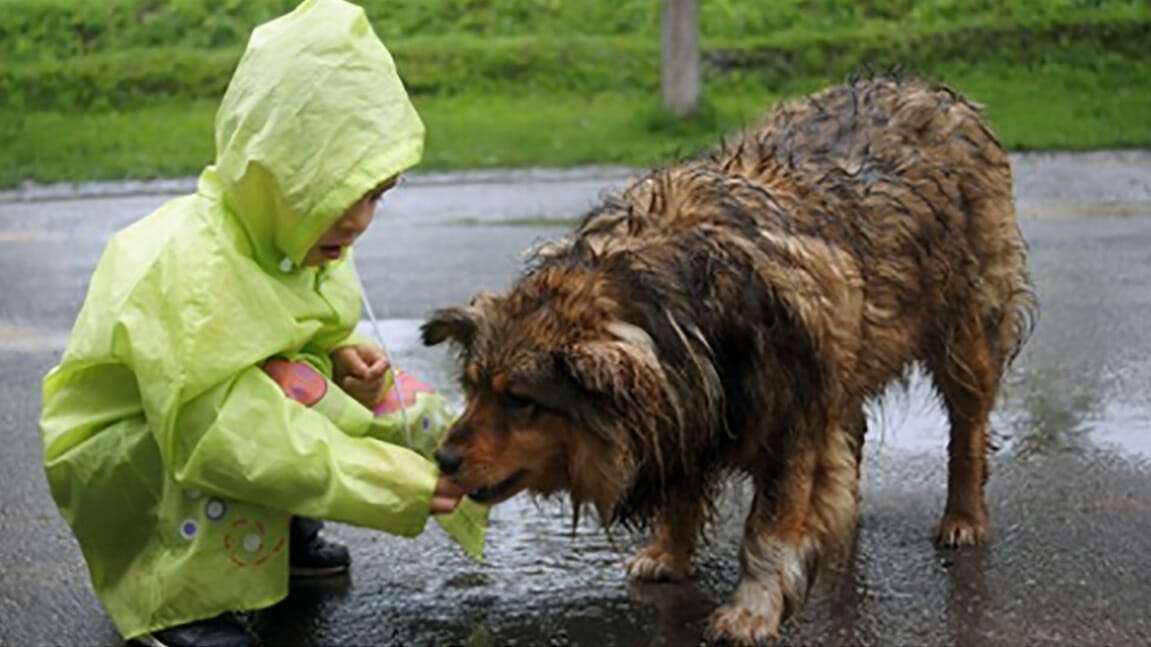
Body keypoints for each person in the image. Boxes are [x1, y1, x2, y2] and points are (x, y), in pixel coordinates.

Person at [37, 2, 484, 646]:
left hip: (219, 421)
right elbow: (222, 433)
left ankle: (274, 541)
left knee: (309, 387)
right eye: (338, 193)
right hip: (135, 451)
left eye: (377, 194)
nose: (359, 219)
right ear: (276, 176)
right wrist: (381, 483)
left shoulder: (296, 240)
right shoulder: (193, 270)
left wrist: (342, 358)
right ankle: (177, 600)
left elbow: (304, 340)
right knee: (256, 430)